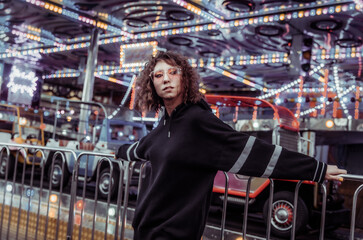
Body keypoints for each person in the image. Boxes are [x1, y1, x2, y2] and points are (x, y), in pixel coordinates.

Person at [116, 51, 347, 240]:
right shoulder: (164, 124)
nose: (165, 79)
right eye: (158, 75)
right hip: (145, 229)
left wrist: (317, 169)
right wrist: (118, 151)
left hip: (174, 233)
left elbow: (254, 151)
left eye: (172, 72)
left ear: (184, 78)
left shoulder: (198, 121)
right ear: (152, 84)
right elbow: (143, 147)